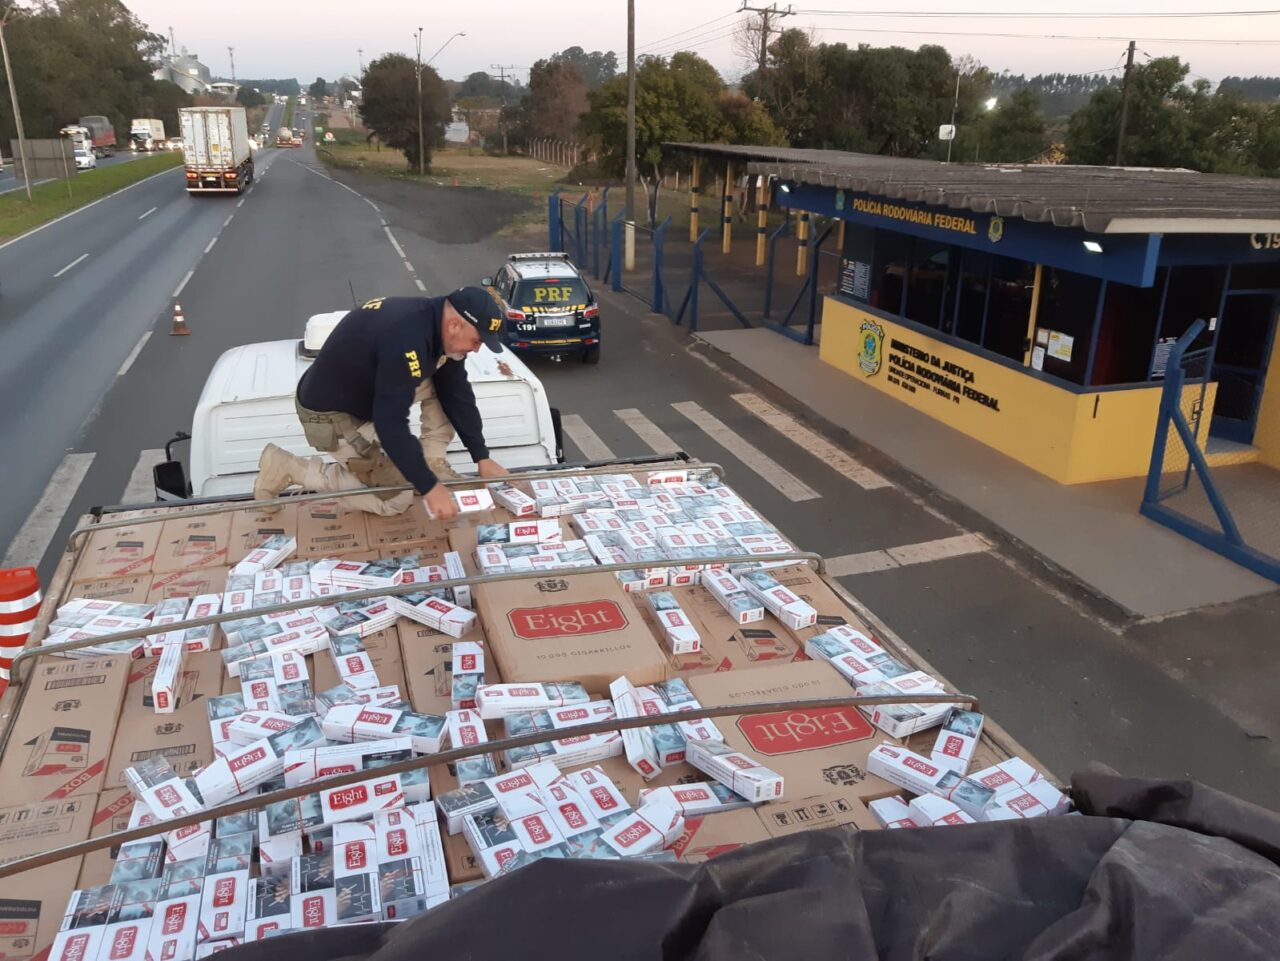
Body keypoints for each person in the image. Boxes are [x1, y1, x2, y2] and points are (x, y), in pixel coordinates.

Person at [254, 288, 509, 521]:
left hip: (366, 391)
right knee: (396, 498)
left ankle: (432, 461)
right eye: (477, 341)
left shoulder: (435, 323)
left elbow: (456, 391)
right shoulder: (407, 340)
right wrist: (429, 487)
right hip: (332, 414)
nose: (476, 350)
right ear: (455, 325)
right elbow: (391, 425)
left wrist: (481, 456)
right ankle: (289, 468)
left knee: (443, 385)